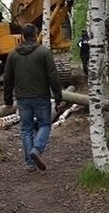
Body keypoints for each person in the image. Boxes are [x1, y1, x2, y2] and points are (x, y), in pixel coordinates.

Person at [4, 23, 64, 172]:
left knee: (26, 129)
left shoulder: (12, 54)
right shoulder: (44, 52)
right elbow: (53, 75)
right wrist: (58, 97)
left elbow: (7, 78)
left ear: (23, 36)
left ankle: (30, 164)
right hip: (41, 96)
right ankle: (37, 149)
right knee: (44, 124)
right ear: (36, 35)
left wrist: (8, 99)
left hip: (22, 98)